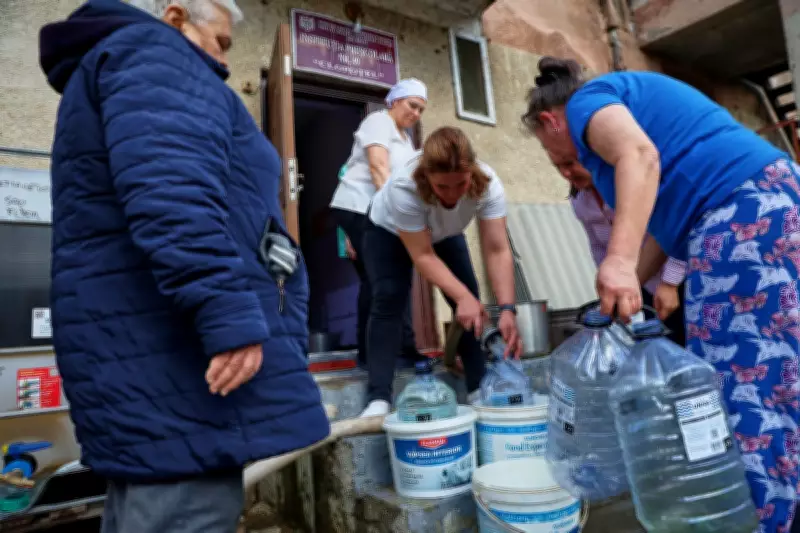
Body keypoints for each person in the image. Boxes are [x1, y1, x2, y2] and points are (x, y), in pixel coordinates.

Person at [38, 1, 329, 532]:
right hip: (178, 365)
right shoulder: (156, 55)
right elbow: (173, 193)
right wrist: (229, 314)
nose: (222, 62)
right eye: (219, 42)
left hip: (148, 359)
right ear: (175, 19)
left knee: (150, 504)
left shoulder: (122, 64)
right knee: (184, 507)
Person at [522, 56, 799, 531]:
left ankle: (761, 520)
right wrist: (615, 298)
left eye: (562, 158)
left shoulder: (590, 101)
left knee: (738, 390)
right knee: (777, 383)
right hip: (765, 205)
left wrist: (619, 261)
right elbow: (665, 236)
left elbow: (640, 157)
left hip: (742, 216)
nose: (571, 168)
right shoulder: (639, 107)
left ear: (551, 122)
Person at [359, 126, 523, 417]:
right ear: (426, 177)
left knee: (471, 299)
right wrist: (461, 297)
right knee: (389, 297)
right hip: (387, 231)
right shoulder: (403, 186)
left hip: (445, 233)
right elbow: (422, 255)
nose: (452, 195)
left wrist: (507, 309)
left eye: (460, 184)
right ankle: (379, 397)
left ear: (471, 173)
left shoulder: (489, 185)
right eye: (442, 187)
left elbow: (497, 249)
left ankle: (477, 388)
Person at [329, 79, 428, 368]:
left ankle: (401, 349)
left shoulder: (406, 139)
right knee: (379, 279)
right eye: (412, 105)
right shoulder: (378, 121)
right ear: (394, 101)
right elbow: (377, 166)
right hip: (361, 207)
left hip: (377, 213)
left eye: (421, 109)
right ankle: (374, 355)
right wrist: (397, 213)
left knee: (391, 279)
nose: (416, 114)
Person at [569, 184, 687, 345]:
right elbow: (598, 247)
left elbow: (677, 224)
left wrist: (671, 282)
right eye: (560, 167)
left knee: (688, 346)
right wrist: (610, 287)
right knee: (657, 346)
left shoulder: (633, 184)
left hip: (679, 277)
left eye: (571, 164)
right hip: (641, 285)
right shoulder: (581, 202)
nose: (567, 172)